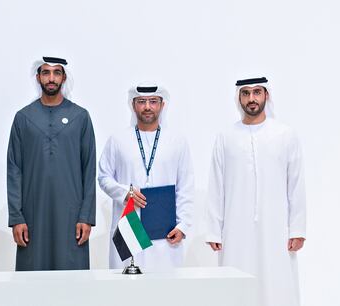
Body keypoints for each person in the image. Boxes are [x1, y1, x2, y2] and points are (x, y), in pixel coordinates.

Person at [206, 77, 306, 306]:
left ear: (266, 95)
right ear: (239, 97)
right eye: (246, 93)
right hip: (235, 230)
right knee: (236, 286)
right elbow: (216, 184)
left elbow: (296, 184)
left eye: (257, 92)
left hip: (277, 229)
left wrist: (297, 228)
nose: (251, 99)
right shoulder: (226, 137)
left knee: (277, 284)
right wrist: (214, 230)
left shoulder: (285, 135)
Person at [7, 56, 96, 271]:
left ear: (64, 77)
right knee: (33, 279)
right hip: (33, 215)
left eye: (56, 73)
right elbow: (14, 169)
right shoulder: (23, 118)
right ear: (38, 77)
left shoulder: (80, 117)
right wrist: (16, 217)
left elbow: (89, 168)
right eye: (46, 72)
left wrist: (86, 217)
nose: (51, 78)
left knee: (72, 279)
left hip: (72, 215)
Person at [98, 84, 194, 270]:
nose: (147, 107)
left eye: (153, 101)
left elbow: (186, 186)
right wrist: (125, 192)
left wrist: (183, 226)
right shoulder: (118, 140)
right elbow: (103, 177)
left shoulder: (177, 141)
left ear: (162, 105)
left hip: (166, 232)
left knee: (164, 290)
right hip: (129, 225)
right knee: (128, 290)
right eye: (141, 102)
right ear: (133, 105)